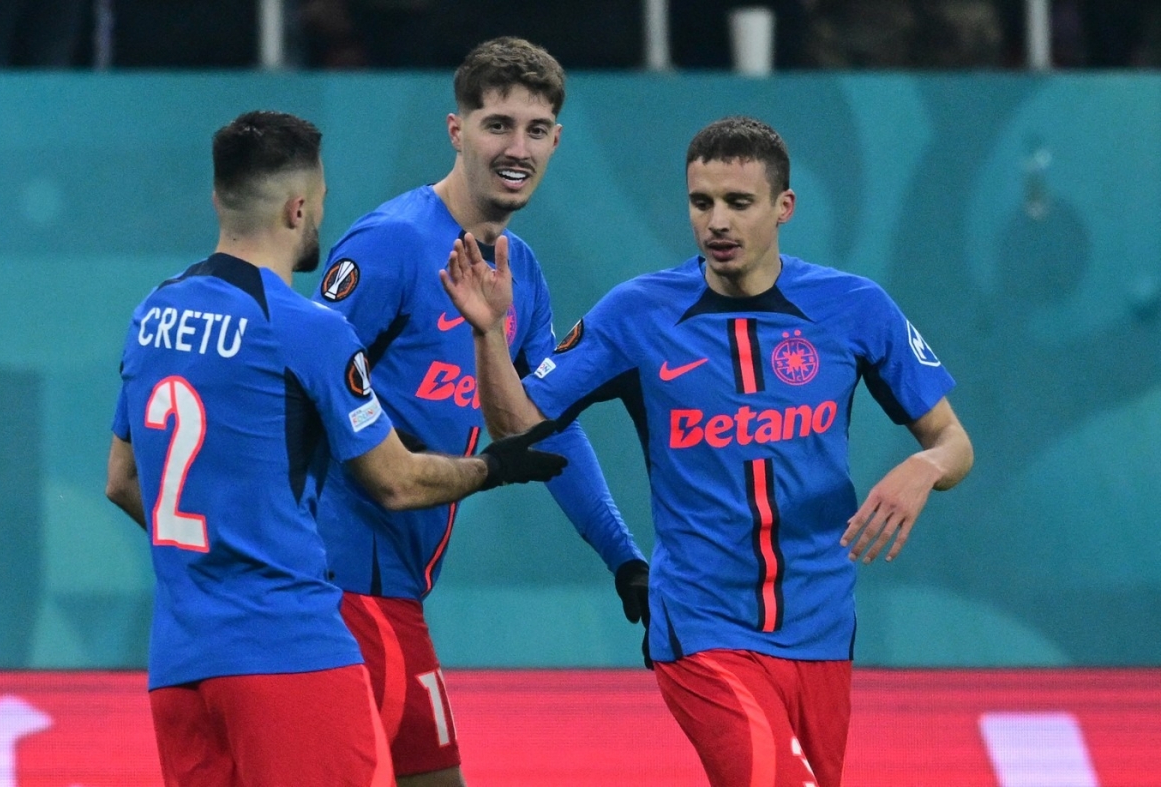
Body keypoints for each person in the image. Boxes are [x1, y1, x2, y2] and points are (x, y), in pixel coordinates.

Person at [442, 115, 974, 787]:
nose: (717, 222)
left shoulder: (854, 307)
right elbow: (517, 423)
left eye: (738, 202)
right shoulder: (637, 313)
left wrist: (925, 466)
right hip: (703, 626)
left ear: (784, 207)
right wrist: (489, 334)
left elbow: (954, 442)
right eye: (702, 202)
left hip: (822, 626)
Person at [103, 109, 567, 787]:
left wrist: (221, 549)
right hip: (289, 651)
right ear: (298, 209)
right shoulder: (306, 327)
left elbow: (122, 480)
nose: (321, 214)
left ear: (218, 198)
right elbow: (396, 482)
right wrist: (495, 467)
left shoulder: (155, 313)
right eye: (320, 200)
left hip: (179, 665)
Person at [310, 36, 648, 787]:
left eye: (535, 130)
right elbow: (296, 392)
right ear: (456, 130)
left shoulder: (518, 269)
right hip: (334, 584)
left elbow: (542, 431)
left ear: (557, 141)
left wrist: (624, 558)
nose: (516, 148)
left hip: (395, 585)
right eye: (497, 124)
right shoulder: (394, 244)